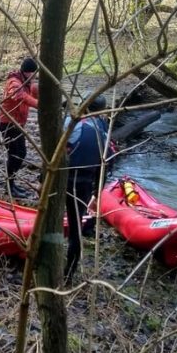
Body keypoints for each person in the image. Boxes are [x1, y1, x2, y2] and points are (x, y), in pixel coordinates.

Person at [63, 95, 110, 283]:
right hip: (84, 185)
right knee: (75, 230)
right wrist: (97, 194)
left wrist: (43, 179)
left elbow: (56, 152)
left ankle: (44, 258)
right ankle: (68, 274)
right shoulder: (104, 131)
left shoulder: (72, 122)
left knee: (50, 218)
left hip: (63, 178)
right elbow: (103, 164)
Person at [0, 56, 40, 199]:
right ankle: (9, 186)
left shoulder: (26, 81)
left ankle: (12, 183)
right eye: (34, 73)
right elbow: (20, 96)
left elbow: (33, 91)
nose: (35, 77)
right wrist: (40, 104)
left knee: (21, 153)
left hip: (18, 124)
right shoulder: (14, 83)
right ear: (28, 72)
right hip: (8, 124)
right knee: (14, 154)